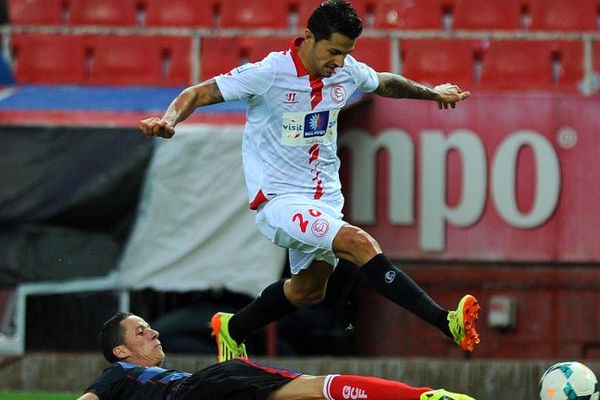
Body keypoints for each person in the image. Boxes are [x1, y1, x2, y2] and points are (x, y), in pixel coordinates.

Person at [139, 0, 479, 361]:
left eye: (346, 54)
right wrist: (169, 120)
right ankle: (447, 322)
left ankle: (233, 328)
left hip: (325, 198)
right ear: (307, 38)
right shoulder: (269, 73)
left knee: (308, 291)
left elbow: (385, 83)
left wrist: (433, 93)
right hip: (279, 200)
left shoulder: (344, 71)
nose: (339, 62)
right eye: (333, 51)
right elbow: (198, 93)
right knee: (358, 243)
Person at [76, 312, 476, 400]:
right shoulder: (118, 375)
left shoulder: (144, 382)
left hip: (210, 387)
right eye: (141, 332)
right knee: (317, 389)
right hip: (210, 387)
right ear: (120, 351)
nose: (154, 332)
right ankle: (424, 397)